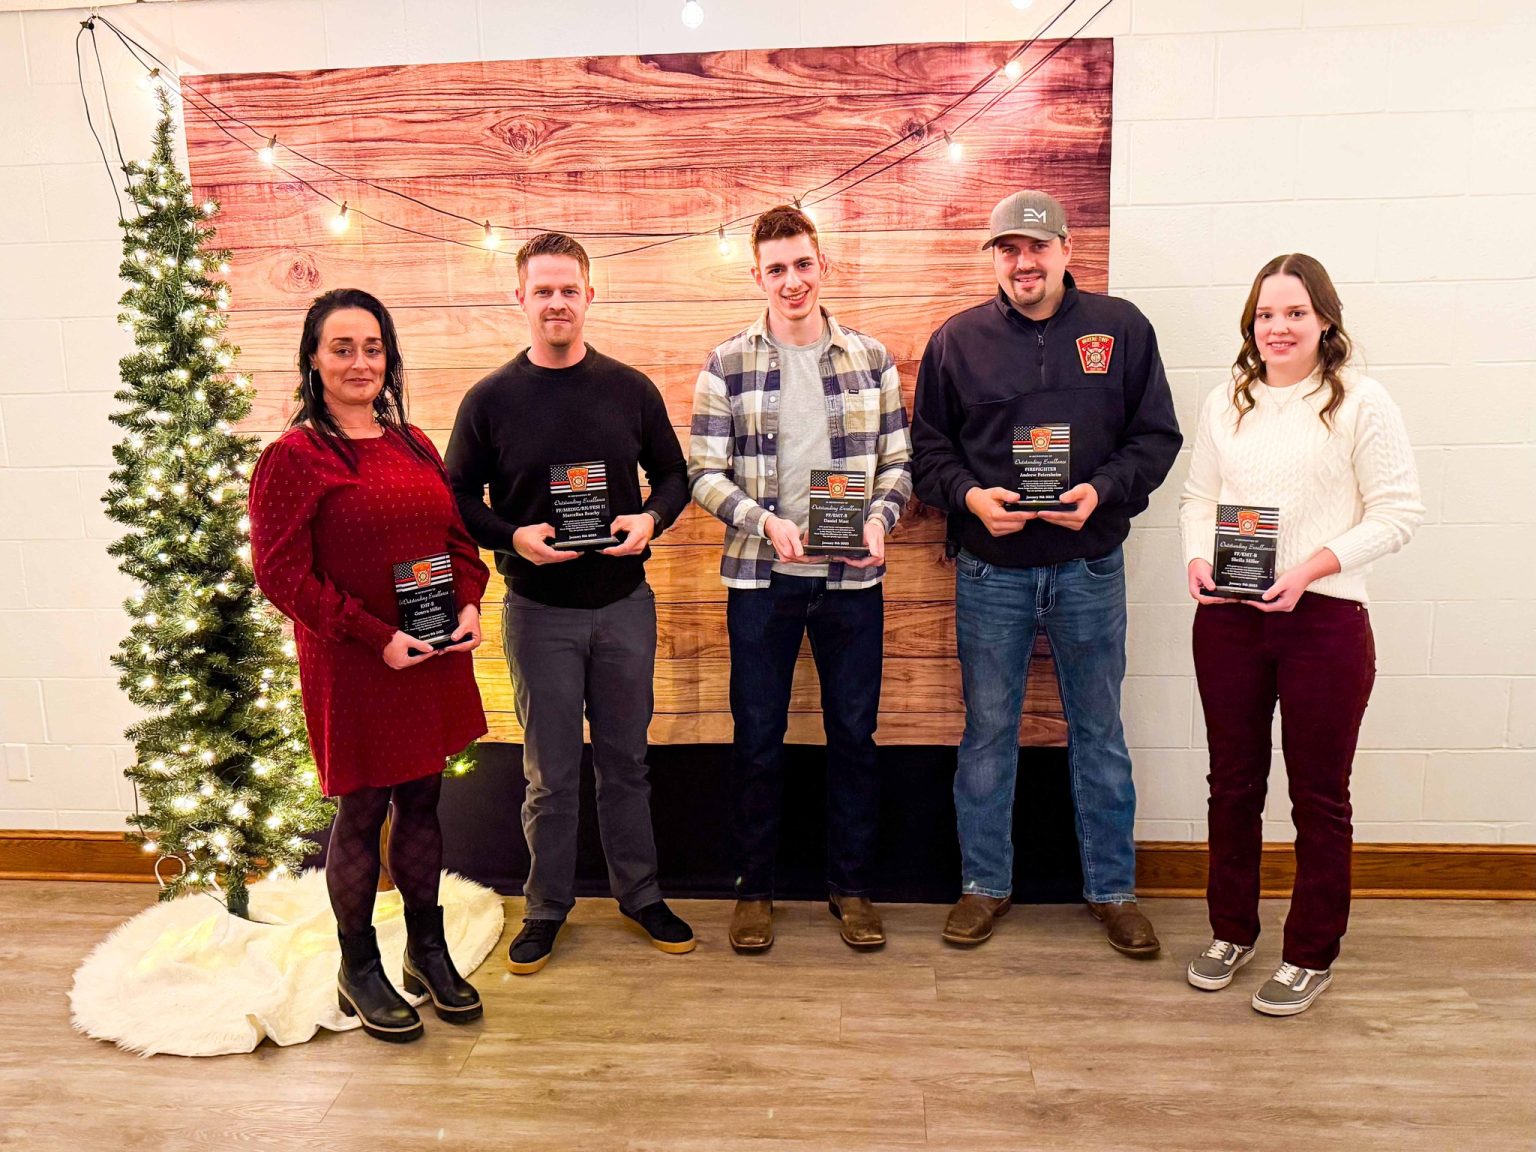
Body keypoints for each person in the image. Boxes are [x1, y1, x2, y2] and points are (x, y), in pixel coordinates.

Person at [911, 190, 1182, 954]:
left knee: (1099, 732)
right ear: (993, 258)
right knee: (988, 731)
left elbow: (1156, 437)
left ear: (1067, 250)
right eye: (1007, 249)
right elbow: (927, 452)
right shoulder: (956, 341)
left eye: (1036, 247)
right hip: (990, 570)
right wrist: (969, 498)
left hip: (1089, 567)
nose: (1022, 262)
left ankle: (1113, 889)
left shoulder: (1120, 329)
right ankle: (984, 886)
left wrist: (1103, 491)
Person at [446, 232, 694, 975]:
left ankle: (639, 895)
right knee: (548, 772)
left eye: (569, 289)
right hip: (538, 613)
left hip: (624, 604)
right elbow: (456, 497)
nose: (557, 302)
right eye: (543, 290)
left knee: (625, 762)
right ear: (520, 298)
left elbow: (675, 476)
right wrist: (513, 537)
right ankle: (546, 906)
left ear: (590, 295)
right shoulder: (489, 400)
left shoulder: (630, 389)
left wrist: (651, 520)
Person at [1180, 254, 1422, 1016]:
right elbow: (1198, 496)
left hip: (1325, 621)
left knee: (1319, 796)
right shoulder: (1228, 400)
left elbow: (1397, 513)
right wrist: (1195, 555)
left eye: (1294, 313)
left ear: (1324, 319)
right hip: (1228, 618)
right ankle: (1232, 932)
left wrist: (1311, 569)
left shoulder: (1361, 402)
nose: (1278, 328)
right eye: (1264, 315)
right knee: (1233, 785)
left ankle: (1310, 952)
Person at [249, 288, 488, 1043]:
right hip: (355, 663)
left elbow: (455, 541)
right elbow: (281, 574)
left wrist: (471, 603)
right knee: (363, 809)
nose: (360, 362)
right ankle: (358, 966)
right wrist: (369, 632)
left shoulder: (413, 442)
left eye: (373, 347)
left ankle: (427, 950)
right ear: (313, 360)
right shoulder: (295, 456)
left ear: (389, 358)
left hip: (429, 653)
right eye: (342, 347)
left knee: (421, 801)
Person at [689, 204, 912, 953]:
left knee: (856, 735)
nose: (792, 281)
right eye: (777, 268)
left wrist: (880, 520)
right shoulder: (727, 364)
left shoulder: (870, 359)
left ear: (824, 267)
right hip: (761, 579)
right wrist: (764, 522)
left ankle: (851, 887)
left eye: (803, 264)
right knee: (758, 738)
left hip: (854, 582)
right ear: (757, 275)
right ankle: (756, 890)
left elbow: (899, 465)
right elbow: (702, 475)